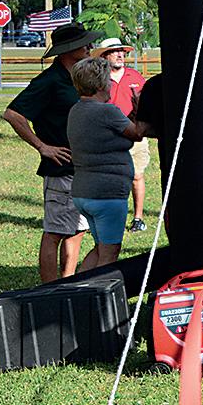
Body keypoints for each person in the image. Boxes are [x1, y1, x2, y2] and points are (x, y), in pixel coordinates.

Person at [3, 22, 101, 283]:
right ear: (68, 49)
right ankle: (47, 289)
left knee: (77, 229)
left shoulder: (78, 78)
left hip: (82, 168)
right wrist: (42, 147)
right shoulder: (49, 81)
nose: (89, 47)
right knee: (55, 232)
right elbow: (12, 114)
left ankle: (67, 282)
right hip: (61, 170)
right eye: (83, 43)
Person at [66, 56, 148, 273]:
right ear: (102, 84)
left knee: (100, 248)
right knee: (109, 254)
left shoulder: (76, 110)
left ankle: (77, 287)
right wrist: (141, 107)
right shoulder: (107, 111)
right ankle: (97, 292)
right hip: (107, 195)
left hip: (83, 191)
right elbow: (138, 133)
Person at [95, 38, 149, 233]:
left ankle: (138, 218)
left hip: (134, 134)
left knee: (136, 175)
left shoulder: (135, 76)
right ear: (104, 56)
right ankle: (106, 218)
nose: (120, 55)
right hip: (108, 136)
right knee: (109, 177)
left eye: (122, 52)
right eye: (114, 51)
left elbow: (147, 104)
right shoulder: (98, 80)